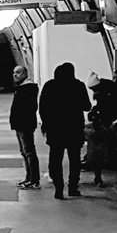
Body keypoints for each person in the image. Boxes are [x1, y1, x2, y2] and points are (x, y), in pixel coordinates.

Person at [37, 62, 90, 199]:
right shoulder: (78, 86)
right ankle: (73, 188)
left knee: (55, 158)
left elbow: (42, 107)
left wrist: (46, 124)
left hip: (56, 128)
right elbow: (87, 106)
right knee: (74, 160)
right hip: (74, 128)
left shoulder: (50, 86)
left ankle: (58, 188)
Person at [10, 67, 40, 189]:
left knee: (28, 152)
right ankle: (29, 178)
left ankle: (34, 179)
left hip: (24, 124)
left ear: (25, 74)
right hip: (20, 124)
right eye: (14, 73)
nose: (15, 75)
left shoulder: (26, 89)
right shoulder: (22, 88)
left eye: (18, 72)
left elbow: (25, 108)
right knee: (24, 152)